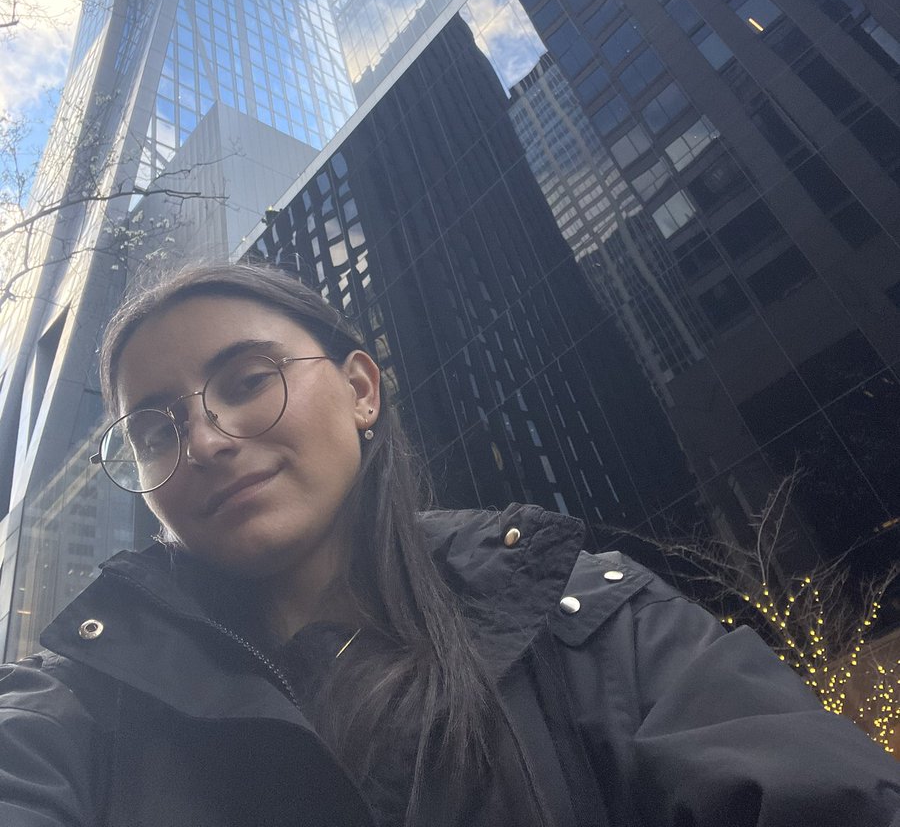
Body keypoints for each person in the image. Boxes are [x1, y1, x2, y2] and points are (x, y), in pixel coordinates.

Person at [0, 263, 898, 827]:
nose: (204, 441)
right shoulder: (80, 700)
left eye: (245, 381)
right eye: (155, 431)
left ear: (362, 390)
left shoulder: (591, 622)